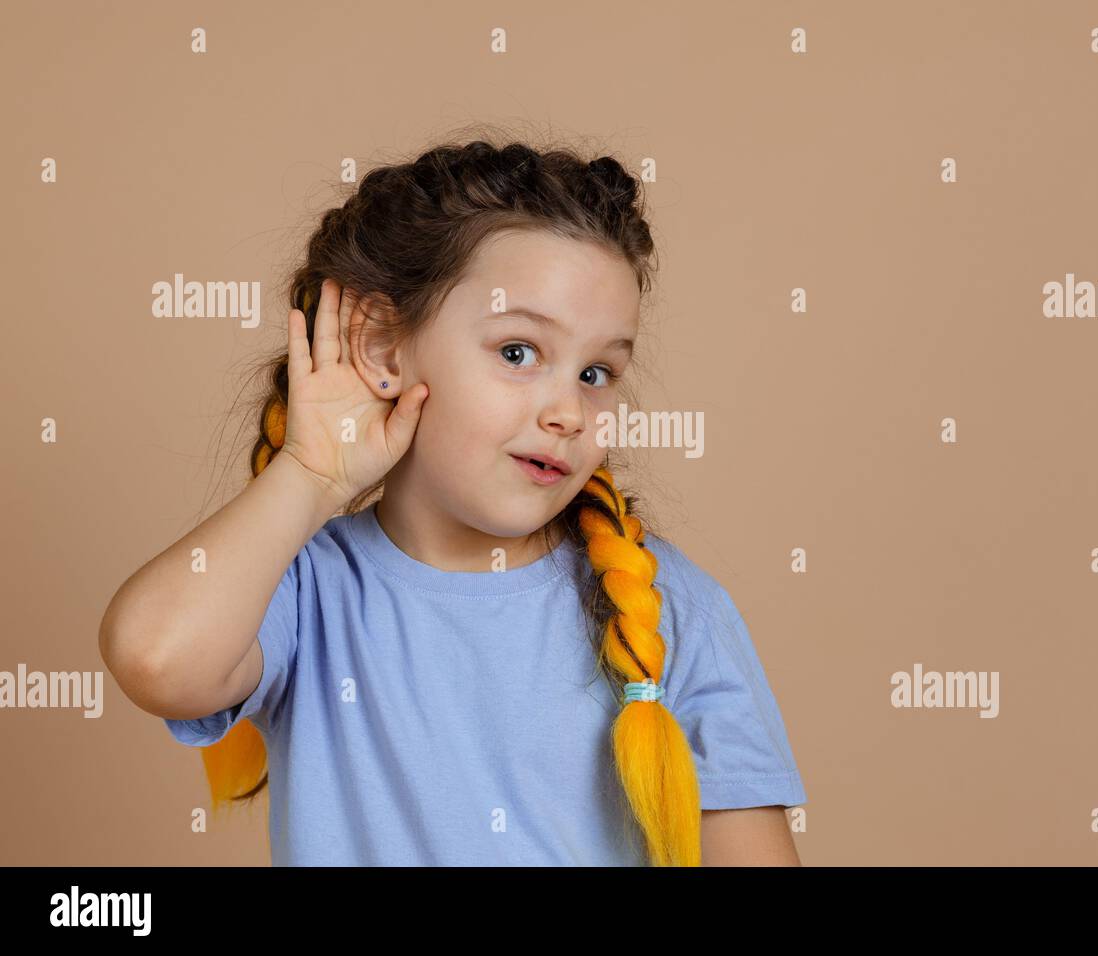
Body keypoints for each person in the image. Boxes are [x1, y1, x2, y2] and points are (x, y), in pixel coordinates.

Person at [99, 134, 806, 866]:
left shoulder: (668, 608)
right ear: (382, 350)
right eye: (517, 353)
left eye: (596, 373)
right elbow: (156, 658)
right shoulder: (306, 592)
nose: (568, 410)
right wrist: (312, 474)